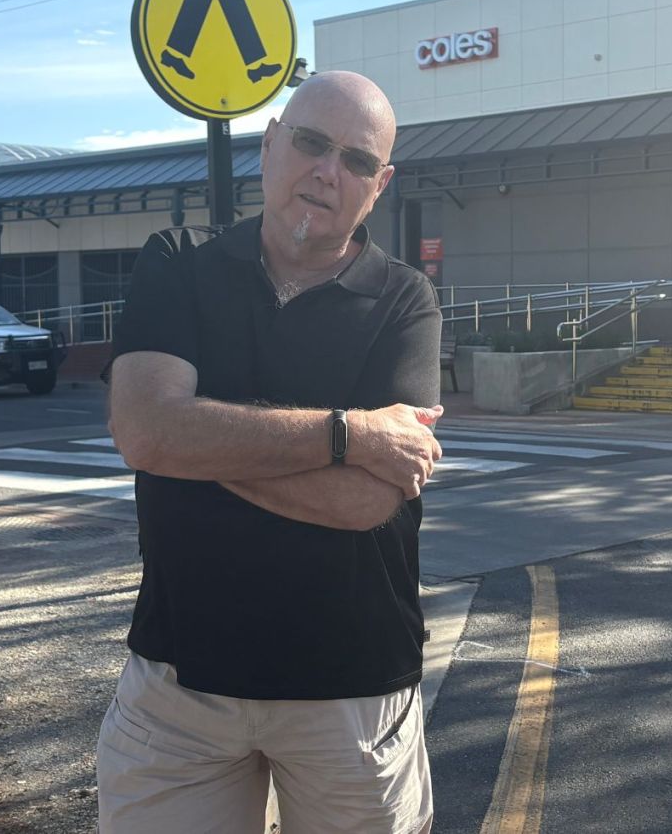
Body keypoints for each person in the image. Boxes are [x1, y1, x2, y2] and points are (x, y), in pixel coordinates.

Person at [99, 70, 445, 833]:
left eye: (357, 160)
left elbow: (366, 502)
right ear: (270, 145)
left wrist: (196, 439)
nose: (328, 170)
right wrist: (347, 435)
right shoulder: (178, 262)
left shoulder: (404, 300)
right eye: (312, 143)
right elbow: (146, 431)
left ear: (379, 185)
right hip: (180, 685)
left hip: (352, 691)